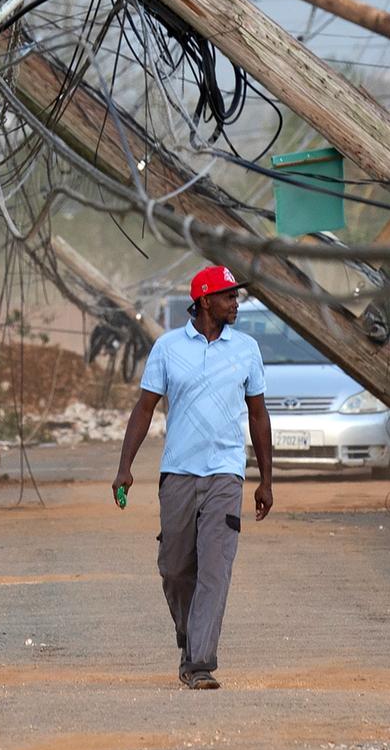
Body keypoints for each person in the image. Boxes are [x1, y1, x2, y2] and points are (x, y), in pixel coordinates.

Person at [111, 265, 273, 690]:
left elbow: (258, 414)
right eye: (228, 297)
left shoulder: (247, 349)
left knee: (215, 569)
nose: (235, 304)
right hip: (178, 473)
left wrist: (266, 479)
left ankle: (199, 662)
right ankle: (189, 632)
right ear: (204, 301)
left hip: (225, 474)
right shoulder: (167, 348)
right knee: (175, 567)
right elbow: (144, 408)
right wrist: (125, 467)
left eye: (235, 297)